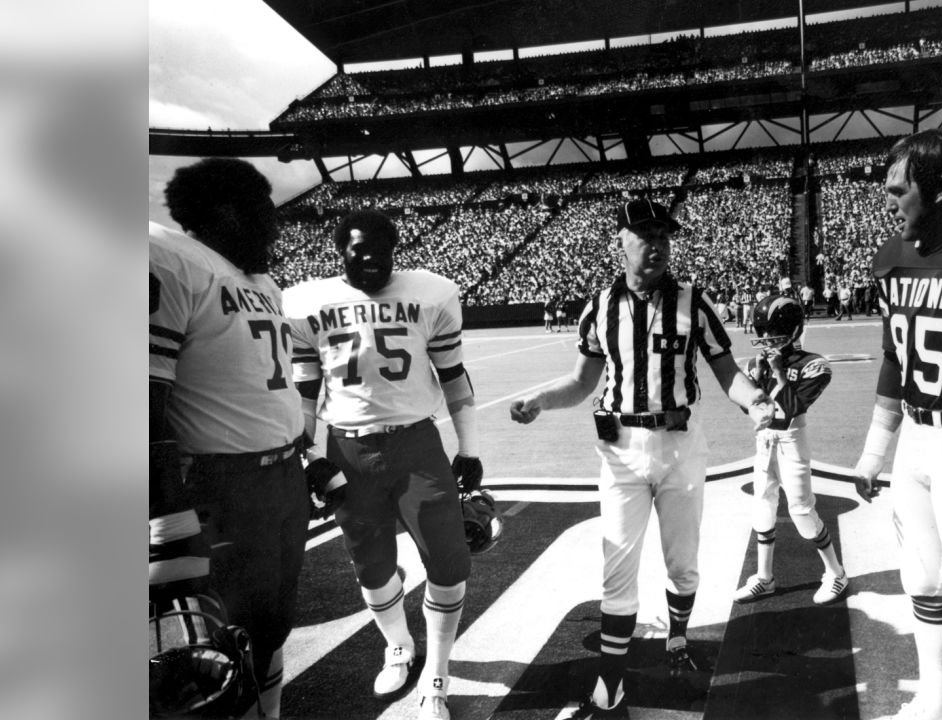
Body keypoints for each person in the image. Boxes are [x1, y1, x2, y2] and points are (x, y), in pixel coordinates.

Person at [508, 199, 776, 720]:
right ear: (621, 241)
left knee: (683, 560)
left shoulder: (694, 301)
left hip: (679, 443)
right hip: (621, 452)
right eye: (644, 234)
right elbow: (583, 382)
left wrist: (757, 403)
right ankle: (610, 687)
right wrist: (541, 400)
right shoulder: (599, 306)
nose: (656, 244)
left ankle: (677, 640)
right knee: (618, 568)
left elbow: (726, 371)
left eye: (663, 235)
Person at [283, 209, 484, 720]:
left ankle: (436, 676)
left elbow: (455, 380)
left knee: (449, 557)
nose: (372, 262)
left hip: (416, 444)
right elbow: (305, 393)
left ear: (397, 251)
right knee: (370, 565)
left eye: (382, 253)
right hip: (347, 449)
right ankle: (398, 645)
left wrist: (471, 448)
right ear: (340, 251)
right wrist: (307, 455)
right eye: (359, 252)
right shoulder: (305, 303)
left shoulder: (432, 292)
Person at [847, 129, 942, 720]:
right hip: (915, 436)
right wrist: (873, 451)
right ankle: (939, 703)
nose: (888, 201)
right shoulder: (891, 258)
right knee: (922, 581)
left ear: (940, 187)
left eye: (898, 189)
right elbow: (895, 357)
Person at [149, 158, 309, 719]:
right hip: (223, 485)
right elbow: (142, 399)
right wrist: (165, 519)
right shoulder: (171, 259)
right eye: (265, 210)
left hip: (281, 477)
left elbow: (266, 389)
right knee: (220, 643)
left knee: (271, 624)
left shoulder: (262, 282)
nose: (276, 223)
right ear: (226, 214)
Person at [733, 295, 848, 606]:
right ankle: (765, 577)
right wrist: (757, 380)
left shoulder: (813, 365)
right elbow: (751, 409)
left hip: (791, 442)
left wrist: (780, 375)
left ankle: (836, 573)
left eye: (776, 335)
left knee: (801, 511)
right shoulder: (756, 364)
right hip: (764, 441)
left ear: (795, 331)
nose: (769, 342)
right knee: (762, 506)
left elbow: (793, 407)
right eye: (765, 335)